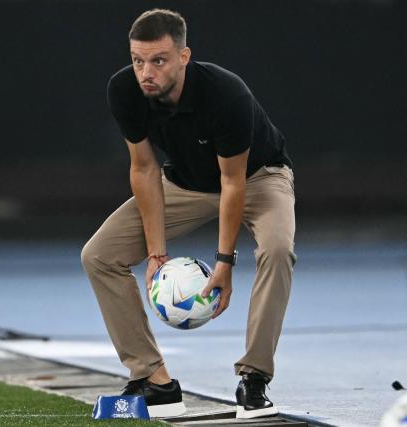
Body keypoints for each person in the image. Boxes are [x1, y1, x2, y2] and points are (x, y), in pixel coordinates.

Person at [81, 8, 296, 420]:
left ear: (184, 56)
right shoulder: (124, 90)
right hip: (185, 184)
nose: (146, 72)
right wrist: (156, 254)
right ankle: (155, 381)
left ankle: (254, 378)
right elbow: (143, 169)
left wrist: (224, 261)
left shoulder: (226, 94)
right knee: (98, 255)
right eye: (138, 60)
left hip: (257, 179)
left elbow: (233, 183)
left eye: (158, 60)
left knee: (277, 249)